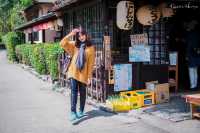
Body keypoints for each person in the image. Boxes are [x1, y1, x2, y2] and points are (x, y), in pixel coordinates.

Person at [60, 27, 95, 122]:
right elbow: (62, 43)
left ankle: (81, 110)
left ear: (86, 35)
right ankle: (72, 112)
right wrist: (71, 34)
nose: (81, 37)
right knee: (74, 92)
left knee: (83, 93)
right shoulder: (74, 45)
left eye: (82, 35)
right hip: (73, 72)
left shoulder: (91, 48)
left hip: (83, 74)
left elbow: (91, 64)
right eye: (79, 36)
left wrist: (89, 77)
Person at [184, 20, 200, 90]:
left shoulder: (190, 34)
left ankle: (192, 86)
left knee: (191, 70)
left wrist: (187, 55)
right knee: (195, 70)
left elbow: (189, 45)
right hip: (197, 53)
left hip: (191, 54)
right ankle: (195, 85)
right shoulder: (197, 34)